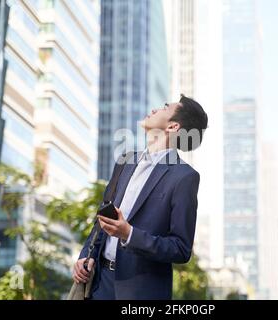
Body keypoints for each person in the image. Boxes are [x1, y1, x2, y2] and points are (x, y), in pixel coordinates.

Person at [73, 94, 208, 300]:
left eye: (164, 107)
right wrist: (86, 256)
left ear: (172, 127)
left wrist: (129, 234)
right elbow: (102, 219)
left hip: (141, 292)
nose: (155, 109)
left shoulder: (184, 177)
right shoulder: (125, 161)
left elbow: (181, 249)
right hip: (100, 284)